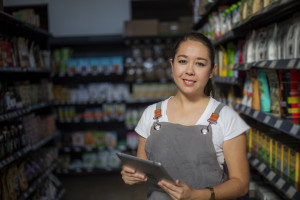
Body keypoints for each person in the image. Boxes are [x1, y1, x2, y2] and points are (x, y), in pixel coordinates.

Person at [121, 32, 250, 200]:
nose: (189, 71)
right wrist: (132, 175)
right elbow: (142, 169)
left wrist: (197, 195)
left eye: (200, 64)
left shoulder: (227, 118)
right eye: (182, 61)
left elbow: (241, 184)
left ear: (212, 71)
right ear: (172, 65)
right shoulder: (152, 114)